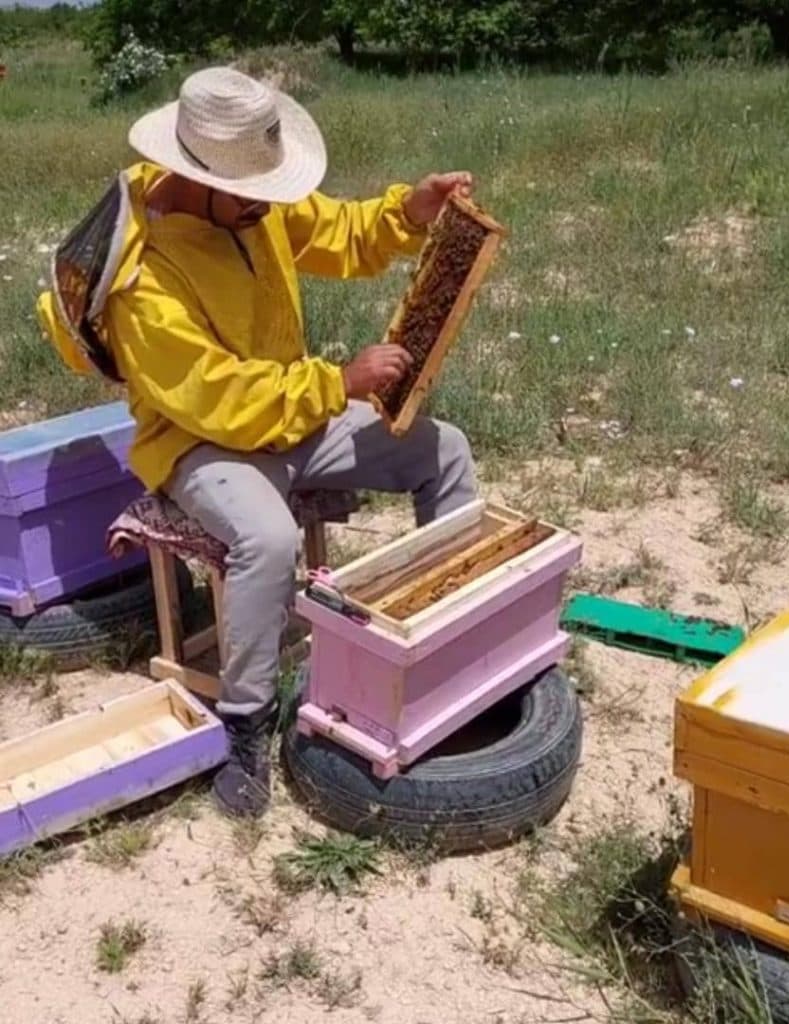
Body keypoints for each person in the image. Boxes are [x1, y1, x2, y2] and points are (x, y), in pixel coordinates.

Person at [38, 66, 478, 818]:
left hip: (292, 413)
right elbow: (218, 401)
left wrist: (409, 210)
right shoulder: (142, 277)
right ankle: (244, 721)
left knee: (445, 450)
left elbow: (333, 230)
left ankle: (450, 641)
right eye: (256, 197)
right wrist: (337, 383)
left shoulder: (246, 194)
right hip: (200, 443)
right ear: (194, 176)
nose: (270, 207)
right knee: (268, 539)